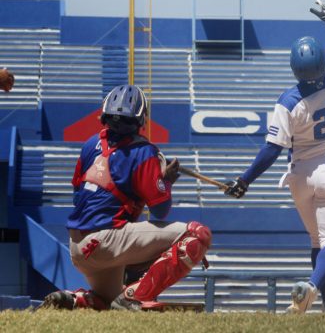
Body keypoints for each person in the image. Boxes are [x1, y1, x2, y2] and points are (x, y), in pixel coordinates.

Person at [224, 0, 325, 314]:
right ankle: (311, 289)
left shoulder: (288, 100)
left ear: (294, 69)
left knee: (316, 241)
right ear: (322, 63)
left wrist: (245, 180)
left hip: (298, 174)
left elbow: (272, 148)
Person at [40, 84, 212, 311]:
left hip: (77, 245)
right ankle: (135, 295)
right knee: (197, 235)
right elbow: (160, 210)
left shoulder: (90, 144)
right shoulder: (143, 151)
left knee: (110, 304)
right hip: (106, 240)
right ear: (141, 120)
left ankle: (76, 300)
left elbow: (77, 192)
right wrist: (167, 180)